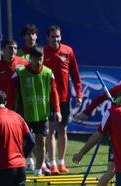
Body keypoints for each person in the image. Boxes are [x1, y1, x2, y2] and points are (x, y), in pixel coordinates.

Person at [11, 45, 61, 176]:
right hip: (23, 114)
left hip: (42, 114)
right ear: (30, 58)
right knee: (24, 142)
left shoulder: (48, 73)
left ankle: (38, 170)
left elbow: (54, 92)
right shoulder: (19, 72)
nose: (38, 62)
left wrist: (57, 110)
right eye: (35, 59)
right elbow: (12, 93)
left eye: (41, 59)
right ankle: (23, 165)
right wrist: (10, 111)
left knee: (41, 141)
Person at [44, 25, 82, 174]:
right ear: (47, 38)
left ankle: (61, 162)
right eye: (53, 36)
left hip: (65, 98)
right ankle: (52, 163)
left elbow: (75, 74)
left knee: (63, 129)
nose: (56, 39)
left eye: (58, 36)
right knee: (51, 129)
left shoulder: (68, 51)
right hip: (48, 98)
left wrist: (79, 93)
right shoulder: (43, 52)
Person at [0, 39, 28, 109]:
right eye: (10, 48)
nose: (13, 50)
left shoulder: (24, 63)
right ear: (3, 49)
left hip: (23, 104)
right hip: (6, 105)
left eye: (15, 48)